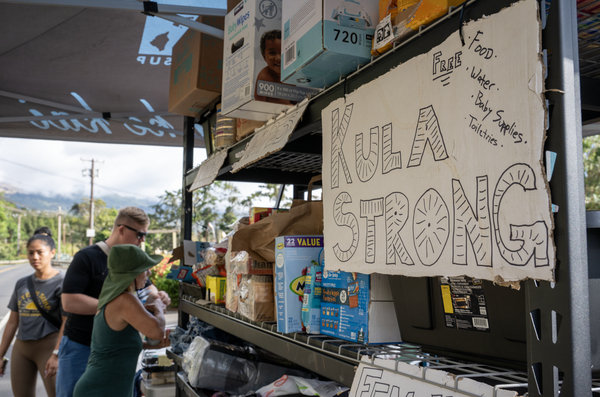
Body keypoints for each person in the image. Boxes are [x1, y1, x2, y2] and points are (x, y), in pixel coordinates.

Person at [56, 207, 171, 397]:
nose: (143, 240)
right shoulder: (88, 258)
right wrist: (131, 312)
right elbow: (69, 302)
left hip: (107, 357)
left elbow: (148, 287)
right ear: (121, 229)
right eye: (140, 235)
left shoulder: (126, 273)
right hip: (79, 344)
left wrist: (156, 297)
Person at [72, 244, 167, 397]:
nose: (148, 272)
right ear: (133, 274)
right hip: (100, 389)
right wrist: (159, 308)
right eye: (144, 269)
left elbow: (117, 347)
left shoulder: (114, 297)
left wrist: (152, 346)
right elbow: (157, 331)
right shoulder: (125, 300)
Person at [0, 227, 67, 397]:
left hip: (49, 348)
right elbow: (13, 322)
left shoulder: (63, 282)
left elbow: (67, 322)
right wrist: (0, 354)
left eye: (39, 252)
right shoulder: (21, 283)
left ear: (52, 253)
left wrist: (56, 354)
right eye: (30, 253)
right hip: (22, 349)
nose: (34, 257)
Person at [254, 29, 295, 105]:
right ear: (264, 57)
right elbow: (258, 105)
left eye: (283, 52)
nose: (279, 58)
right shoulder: (264, 77)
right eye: (272, 53)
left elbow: (297, 100)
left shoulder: (291, 75)